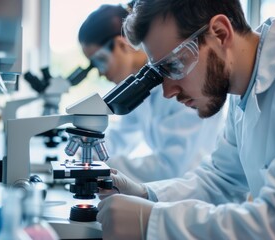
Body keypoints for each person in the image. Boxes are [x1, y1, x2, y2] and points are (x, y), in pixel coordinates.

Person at [96, 0, 275, 239]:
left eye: (174, 65)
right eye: (160, 73)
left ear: (220, 33)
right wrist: (145, 195)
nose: (167, 92)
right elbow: (222, 179)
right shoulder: (241, 86)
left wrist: (153, 221)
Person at [78, 4, 227, 182]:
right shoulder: (140, 86)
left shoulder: (180, 86)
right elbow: (121, 136)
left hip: (196, 197)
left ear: (121, 44)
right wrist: (84, 152)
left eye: (100, 61)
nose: (101, 73)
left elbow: (172, 168)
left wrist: (101, 167)